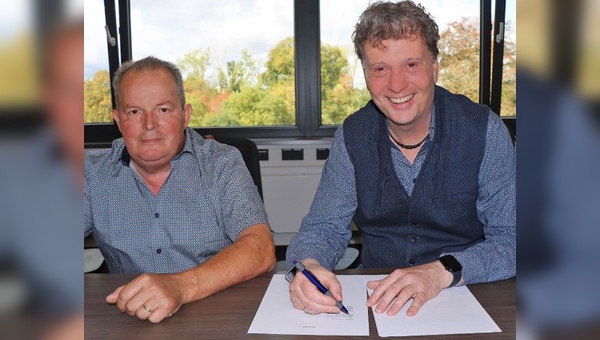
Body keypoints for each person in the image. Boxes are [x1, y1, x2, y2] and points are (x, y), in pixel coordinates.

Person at [286, 0, 515, 317]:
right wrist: (308, 266)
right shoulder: (352, 137)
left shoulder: (485, 131)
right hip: (377, 303)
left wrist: (440, 271)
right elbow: (321, 230)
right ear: (366, 75)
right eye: (380, 69)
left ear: (434, 67)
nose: (396, 85)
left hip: (466, 296)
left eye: (411, 65)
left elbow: (514, 240)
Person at [84, 56, 275, 323]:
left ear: (185, 116)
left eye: (163, 110)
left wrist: (178, 287)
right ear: (118, 120)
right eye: (135, 112)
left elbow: (261, 248)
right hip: (131, 317)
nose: (149, 124)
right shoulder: (91, 173)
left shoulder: (222, 162)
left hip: (218, 311)